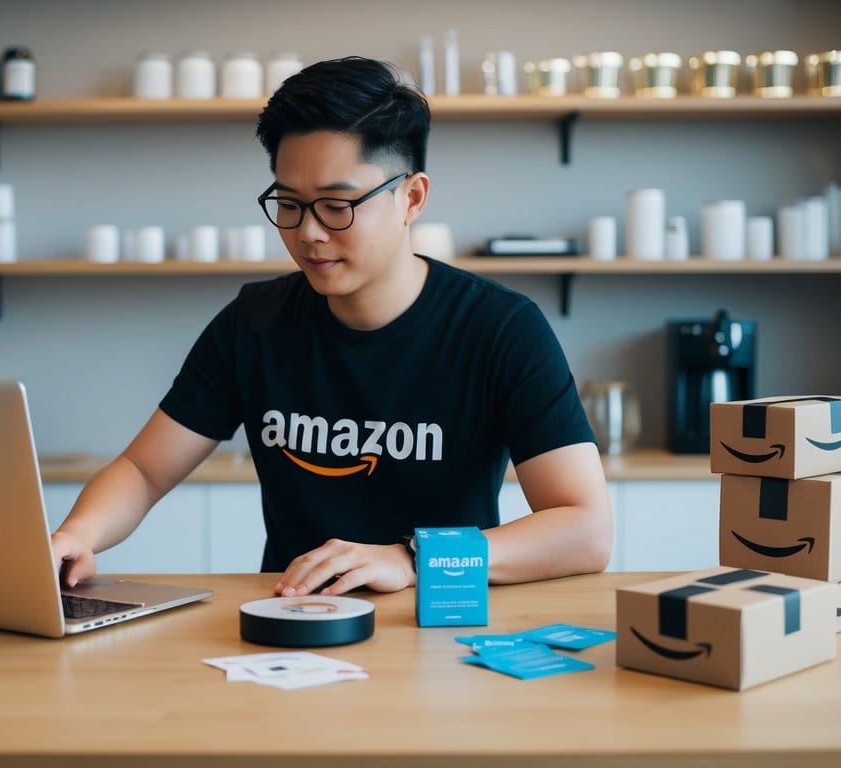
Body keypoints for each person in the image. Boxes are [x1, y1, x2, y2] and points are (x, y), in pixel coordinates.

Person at [51, 56, 611, 598]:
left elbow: (585, 530)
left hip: (443, 626)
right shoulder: (254, 323)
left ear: (411, 198)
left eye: (337, 205)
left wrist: (411, 559)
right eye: (289, 205)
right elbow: (144, 470)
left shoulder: (498, 329)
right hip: (291, 625)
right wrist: (77, 534)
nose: (309, 233)